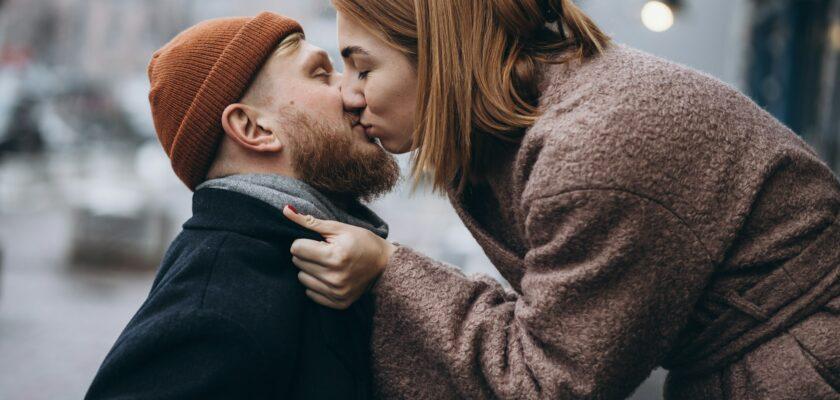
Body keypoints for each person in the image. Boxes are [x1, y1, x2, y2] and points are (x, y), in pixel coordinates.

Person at [282, 0, 840, 398]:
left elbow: (550, 382)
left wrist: (388, 270)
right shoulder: (522, 130)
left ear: (438, 51)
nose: (349, 95)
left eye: (363, 65)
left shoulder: (594, 148)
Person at [85, 12, 399, 399]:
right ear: (254, 129)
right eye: (321, 74)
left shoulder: (310, 258)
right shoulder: (213, 310)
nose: (353, 93)